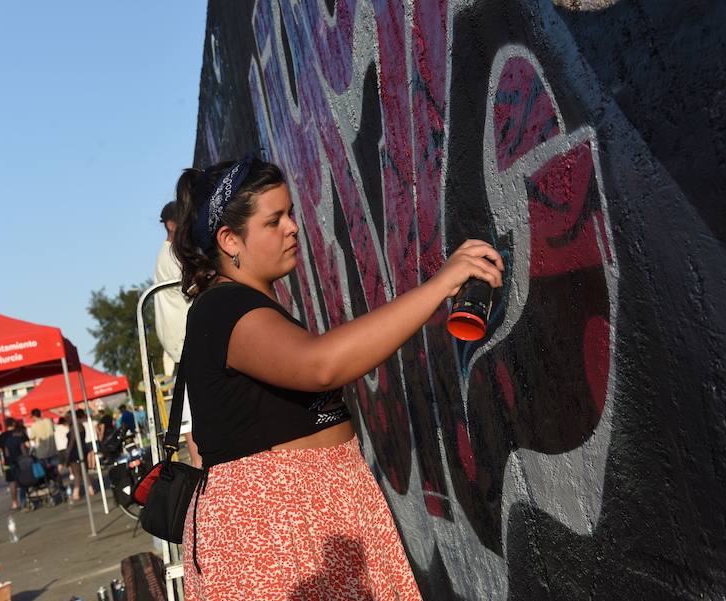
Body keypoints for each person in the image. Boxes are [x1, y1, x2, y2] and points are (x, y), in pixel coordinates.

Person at [170, 156, 504, 600]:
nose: (293, 227)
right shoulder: (222, 308)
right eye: (274, 221)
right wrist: (441, 285)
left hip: (311, 526)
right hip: (275, 537)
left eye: (290, 213)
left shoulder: (246, 308)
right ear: (230, 239)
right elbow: (320, 365)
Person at [154, 201, 200, 466]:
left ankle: (199, 465)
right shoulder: (173, 254)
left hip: (180, 341)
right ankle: (200, 466)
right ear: (173, 224)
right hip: (183, 340)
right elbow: (192, 287)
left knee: (192, 411)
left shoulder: (170, 253)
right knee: (194, 413)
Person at [0, 418, 28, 508]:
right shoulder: (20, 433)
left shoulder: (2, 436)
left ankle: (14, 503)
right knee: (23, 480)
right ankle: (24, 500)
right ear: (14, 424)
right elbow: (27, 445)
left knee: (12, 482)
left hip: (8, 462)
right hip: (22, 461)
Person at [66, 408, 95, 501]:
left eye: (68, 417)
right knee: (83, 472)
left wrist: (67, 453)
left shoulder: (75, 426)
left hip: (75, 451)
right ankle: (90, 489)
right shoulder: (80, 425)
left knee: (77, 473)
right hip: (82, 449)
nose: (67, 419)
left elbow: (72, 442)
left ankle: (76, 492)